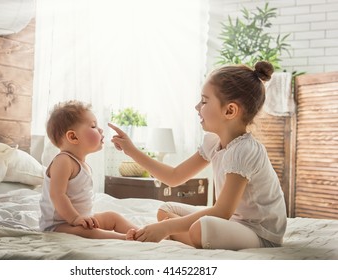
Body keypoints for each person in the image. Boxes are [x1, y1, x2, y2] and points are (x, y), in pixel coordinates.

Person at [109, 61, 287, 250]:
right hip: (234, 222)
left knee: (199, 227)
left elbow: (222, 212)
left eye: (204, 101)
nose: (196, 107)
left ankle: (187, 235)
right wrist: (132, 151)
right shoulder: (212, 141)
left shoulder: (245, 150)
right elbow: (174, 177)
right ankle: (186, 235)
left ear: (230, 110)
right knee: (165, 210)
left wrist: (166, 228)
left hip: (259, 232)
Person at [39, 100, 137, 240]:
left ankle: (141, 233)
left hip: (82, 219)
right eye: (93, 126)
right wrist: (75, 219)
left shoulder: (81, 163)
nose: (100, 130)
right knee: (88, 233)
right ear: (73, 137)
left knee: (112, 217)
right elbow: (57, 195)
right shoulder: (63, 161)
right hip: (58, 225)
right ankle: (124, 238)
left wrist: (82, 219)